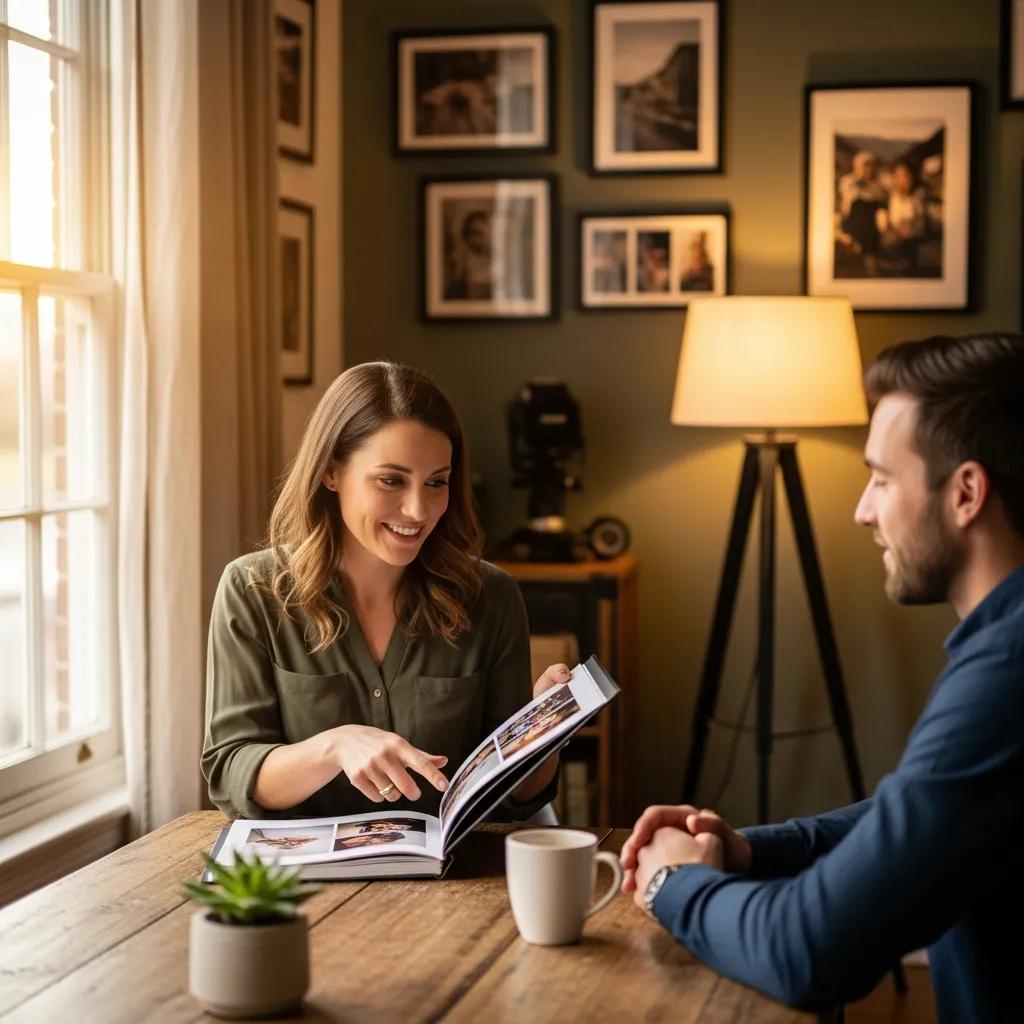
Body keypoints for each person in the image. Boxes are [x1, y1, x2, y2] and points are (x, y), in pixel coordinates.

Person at [621, 333, 1024, 1022]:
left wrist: (671, 883)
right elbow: (926, 817)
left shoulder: (1008, 673)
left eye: (883, 479)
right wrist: (751, 850)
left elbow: (807, 950)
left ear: (965, 493)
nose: (864, 510)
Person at [202, 361, 563, 820]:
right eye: (391, 480)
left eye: (437, 482)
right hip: (300, 885)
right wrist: (334, 746)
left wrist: (544, 729)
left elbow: (515, 800)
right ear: (331, 472)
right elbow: (230, 774)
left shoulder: (492, 598)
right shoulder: (251, 592)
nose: (417, 509)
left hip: (454, 883)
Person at [835, 149, 888, 274]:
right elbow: (847, 200)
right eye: (864, 166)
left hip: (871, 226)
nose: (866, 170)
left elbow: (881, 198)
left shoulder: (878, 184)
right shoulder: (848, 181)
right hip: (852, 222)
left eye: (869, 166)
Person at [878, 159, 928, 275]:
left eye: (905, 175)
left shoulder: (920, 196)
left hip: (912, 237)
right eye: (898, 176)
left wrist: (906, 230)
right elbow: (890, 218)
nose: (902, 180)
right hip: (896, 236)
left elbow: (920, 222)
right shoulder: (893, 196)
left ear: (912, 176)